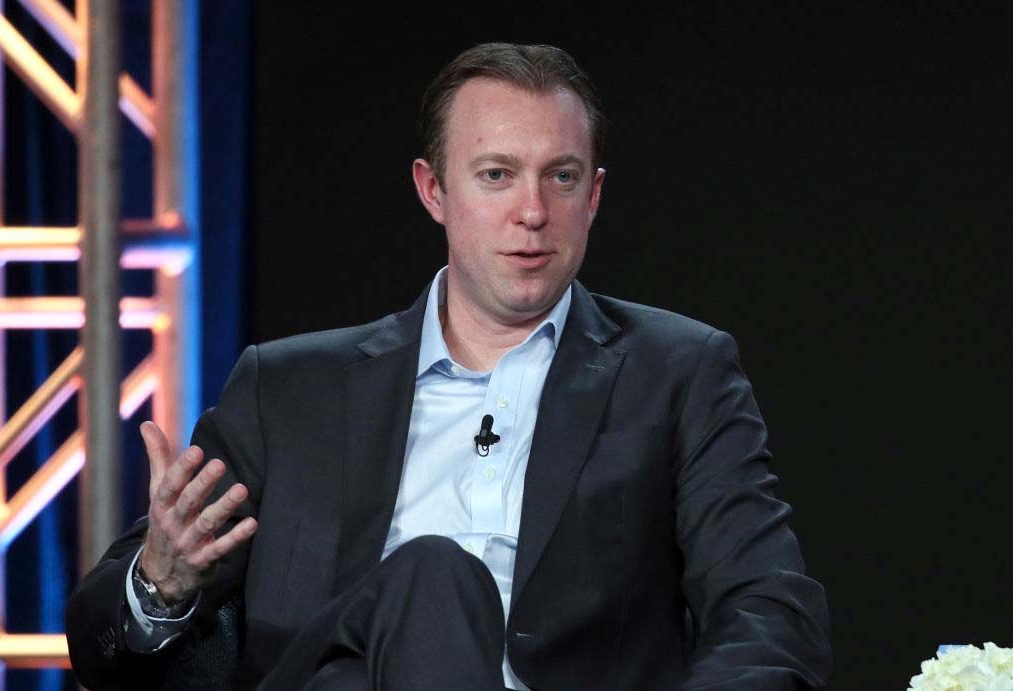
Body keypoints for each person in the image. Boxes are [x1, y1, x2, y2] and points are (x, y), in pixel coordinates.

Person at [66, 43, 832, 690]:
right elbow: (101, 646)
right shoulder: (290, 388)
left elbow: (770, 607)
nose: (532, 211)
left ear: (593, 196)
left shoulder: (676, 371)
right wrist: (159, 582)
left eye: (560, 177)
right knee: (436, 574)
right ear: (434, 190)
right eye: (496, 175)